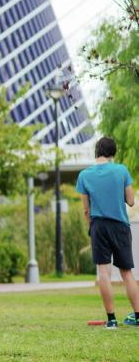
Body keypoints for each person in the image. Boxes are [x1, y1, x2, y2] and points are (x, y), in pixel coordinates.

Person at [76, 136, 138, 329]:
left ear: (97, 152)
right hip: (120, 225)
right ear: (113, 153)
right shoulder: (121, 170)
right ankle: (138, 316)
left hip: (98, 226)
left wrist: (91, 226)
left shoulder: (84, 175)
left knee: (104, 271)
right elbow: (131, 201)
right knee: (126, 272)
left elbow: (86, 209)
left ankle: (111, 320)